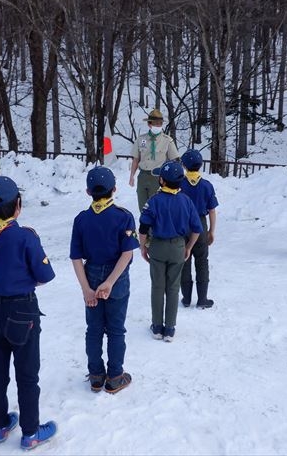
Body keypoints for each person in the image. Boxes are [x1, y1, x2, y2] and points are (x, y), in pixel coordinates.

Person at [0, 176, 57, 450]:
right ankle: (30, 432)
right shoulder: (25, 236)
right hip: (21, 308)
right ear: (18, 206)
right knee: (27, 374)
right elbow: (44, 275)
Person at [70, 166, 139, 394]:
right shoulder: (124, 216)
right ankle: (115, 376)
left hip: (91, 273)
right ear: (115, 189)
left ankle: (97, 376)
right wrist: (110, 282)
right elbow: (127, 253)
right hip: (116, 278)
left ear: (88, 192)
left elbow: (76, 257)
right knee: (116, 329)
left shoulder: (81, 219)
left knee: (94, 329)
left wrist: (86, 289)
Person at [139, 160, 202, 342]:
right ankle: (170, 328)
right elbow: (197, 229)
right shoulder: (186, 201)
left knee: (157, 287)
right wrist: (188, 247)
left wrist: (143, 247)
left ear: (162, 181)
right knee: (173, 287)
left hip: (158, 246)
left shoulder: (154, 201)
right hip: (178, 247)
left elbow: (143, 228)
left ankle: (157, 326)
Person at [179, 149, 219, 308]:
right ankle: (202, 299)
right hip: (201, 225)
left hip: (183, 225)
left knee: (184, 261)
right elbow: (212, 210)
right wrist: (212, 231)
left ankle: (186, 298)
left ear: (184, 165)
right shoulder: (207, 185)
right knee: (202, 262)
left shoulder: (179, 183)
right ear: (201, 165)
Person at [129, 109, 179, 211]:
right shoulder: (141, 139)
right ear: (149, 124)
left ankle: (156, 227)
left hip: (158, 178)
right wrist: (131, 176)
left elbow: (175, 161)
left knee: (157, 209)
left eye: (160, 124)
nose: (158, 126)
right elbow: (136, 159)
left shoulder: (167, 140)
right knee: (143, 208)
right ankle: (145, 226)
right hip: (143, 176)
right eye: (155, 124)